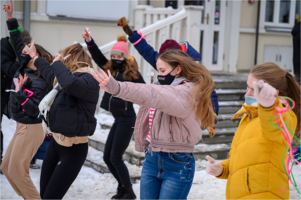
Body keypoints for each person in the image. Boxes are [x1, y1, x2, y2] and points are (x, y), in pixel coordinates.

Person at [94, 49, 216, 199]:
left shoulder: (188, 91)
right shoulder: (163, 87)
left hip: (177, 162)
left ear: (178, 69)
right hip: (152, 158)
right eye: (158, 70)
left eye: (163, 70)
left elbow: (151, 93)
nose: (159, 75)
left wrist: (119, 88)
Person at [205, 62, 300, 199]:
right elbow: (244, 161)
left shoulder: (284, 116)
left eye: (253, 90)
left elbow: (275, 129)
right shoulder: (248, 116)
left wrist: (270, 107)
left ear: (273, 94)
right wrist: (222, 168)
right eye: (247, 87)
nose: (247, 93)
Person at [28, 42, 100, 199]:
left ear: (71, 59)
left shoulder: (90, 81)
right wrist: (34, 56)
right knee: (44, 195)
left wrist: (58, 65)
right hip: (55, 145)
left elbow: (70, 84)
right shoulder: (65, 79)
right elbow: (48, 72)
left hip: (74, 150)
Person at [117, 17, 219, 121]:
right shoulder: (163, 63)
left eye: (164, 69)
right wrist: (130, 33)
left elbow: (210, 93)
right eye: (161, 68)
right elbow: (147, 51)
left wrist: (212, 117)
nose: (161, 71)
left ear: (177, 65)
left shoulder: (193, 74)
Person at [83, 29, 145, 199]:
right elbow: (97, 57)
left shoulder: (131, 73)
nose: (116, 59)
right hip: (119, 119)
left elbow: (146, 90)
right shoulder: (111, 69)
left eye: (119, 56)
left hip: (128, 119)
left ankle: (129, 192)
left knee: (115, 157)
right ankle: (122, 187)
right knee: (107, 157)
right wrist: (90, 41)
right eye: (114, 56)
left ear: (125, 57)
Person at [1, 1, 53, 199]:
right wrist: (11, 17)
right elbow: (16, 41)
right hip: (21, 126)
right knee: (6, 168)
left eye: (29, 51)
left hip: (32, 127)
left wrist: (21, 92)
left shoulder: (41, 78)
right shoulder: (22, 69)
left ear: (37, 55)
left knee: (19, 173)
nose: (23, 52)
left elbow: (33, 110)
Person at [1, 0, 31, 173]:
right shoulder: (3, 46)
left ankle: (25, 159)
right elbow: (9, 68)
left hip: (12, 92)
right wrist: (22, 61)